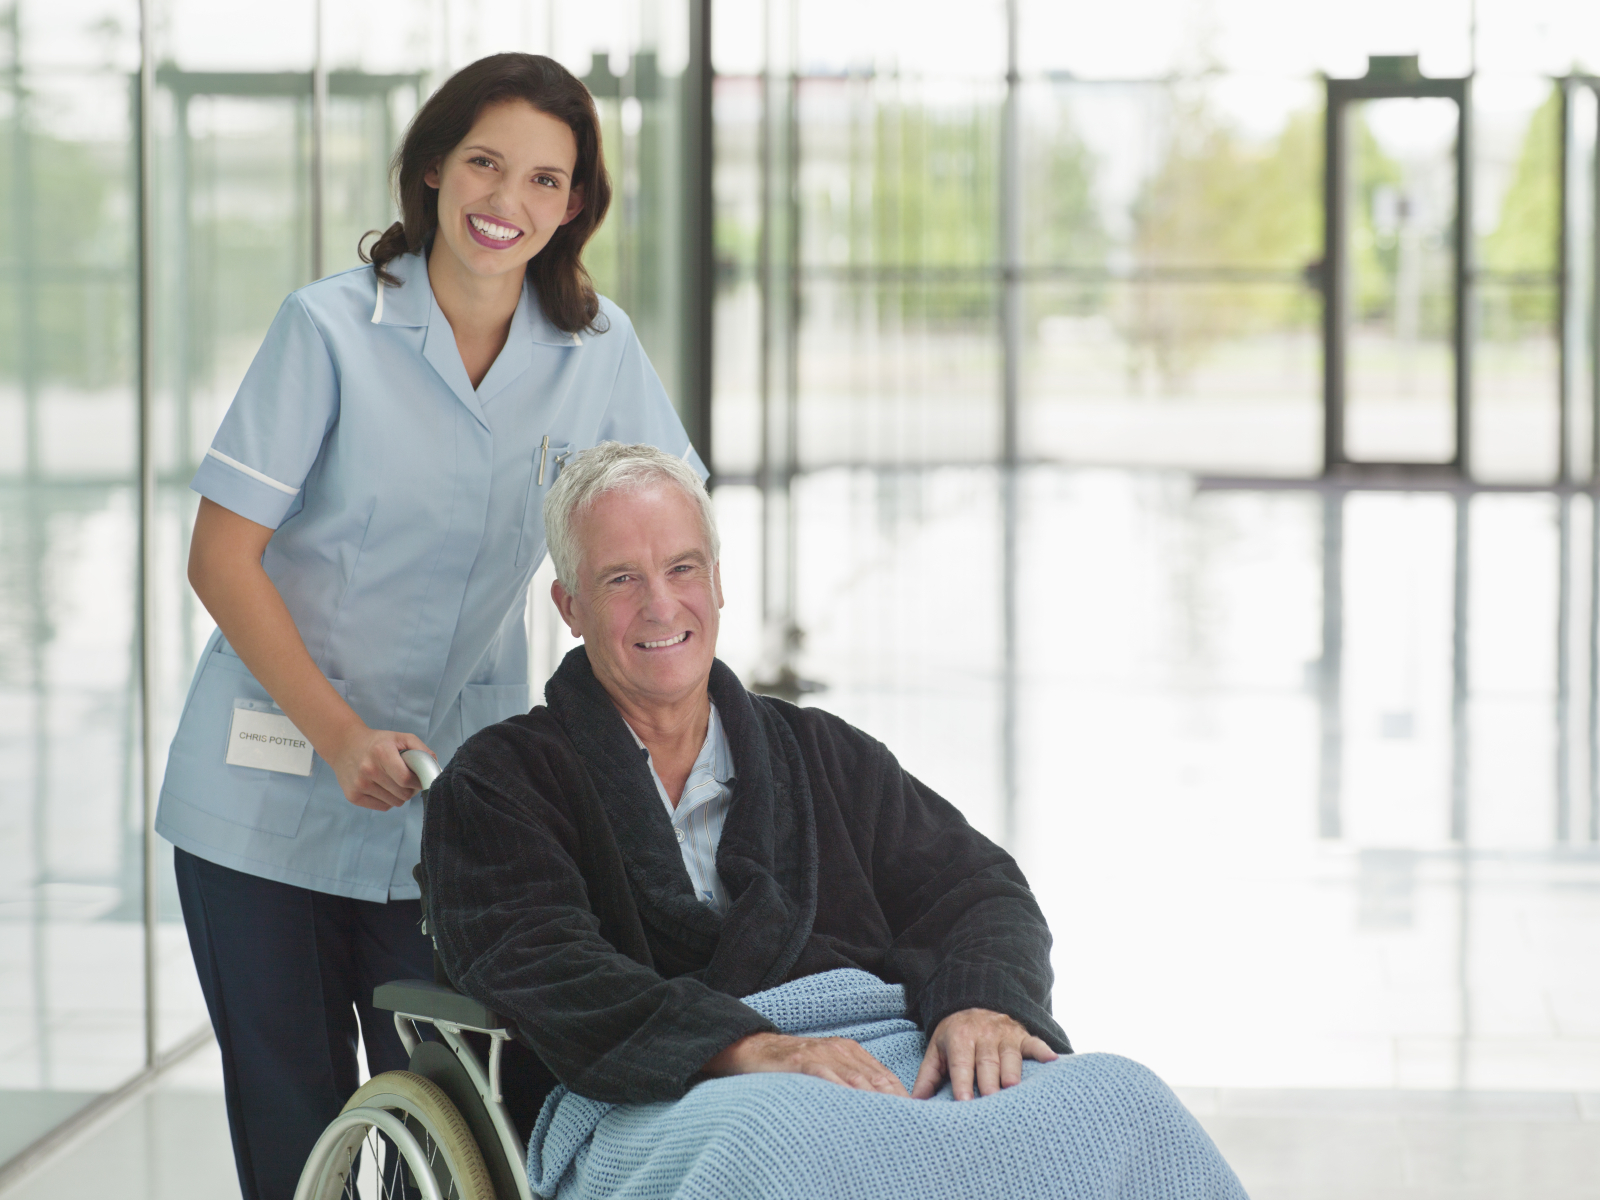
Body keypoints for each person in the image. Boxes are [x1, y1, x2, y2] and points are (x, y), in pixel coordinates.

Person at [155, 56, 702, 1200]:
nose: (508, 204)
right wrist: (340, 734)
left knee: (459, 1112)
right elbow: (221, 554)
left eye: (545, 180)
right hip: (264, 785)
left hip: (452, 793)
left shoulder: (596, 348)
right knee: (297, 1117)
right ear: (431, 170)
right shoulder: (331, 327)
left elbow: (660, 523)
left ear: (573, 206)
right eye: (486, 165)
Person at [423, 444, 1248, 1200]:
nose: (661, 604)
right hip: (661, 1092)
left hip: (877, 1051)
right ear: (569, 605)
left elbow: (975, 886)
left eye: (682, 568)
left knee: (1116, 1098)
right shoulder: (502, 784)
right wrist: (747, 1049)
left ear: (717, 582)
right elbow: (539, 962)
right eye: (621, 579)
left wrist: (980, 1003)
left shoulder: (816, 751)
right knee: (781, 1149)